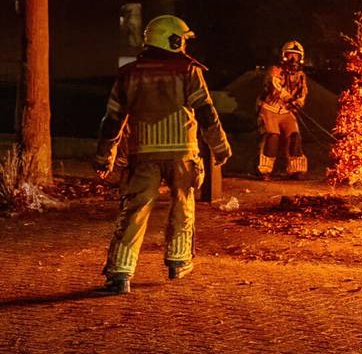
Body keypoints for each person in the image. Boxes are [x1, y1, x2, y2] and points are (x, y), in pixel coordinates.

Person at [95, 15, 232, 295]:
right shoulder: (188, 72)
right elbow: (206, 112)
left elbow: (112, 120)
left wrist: (104, 155)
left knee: (133, 212)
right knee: (183, 206)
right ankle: (178, 261)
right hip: (183, 154)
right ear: (172, 40)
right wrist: (219, 146)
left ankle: (120, 273)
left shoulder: (129, 73)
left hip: (142, 154)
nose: (183, 44)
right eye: (181, 39)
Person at [256, 40, 309, 180]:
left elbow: (303, 93)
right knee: (272, 137)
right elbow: (274, 86)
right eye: (290, 55)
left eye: (296, 56)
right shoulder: (274, 70)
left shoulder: (301, 76)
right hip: (269, 109)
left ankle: (296, 170)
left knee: (294, 137)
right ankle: (265, 170)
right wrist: (288, 97)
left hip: (286, 111)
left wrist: (298, 102)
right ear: (284, 56)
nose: (293, 59)